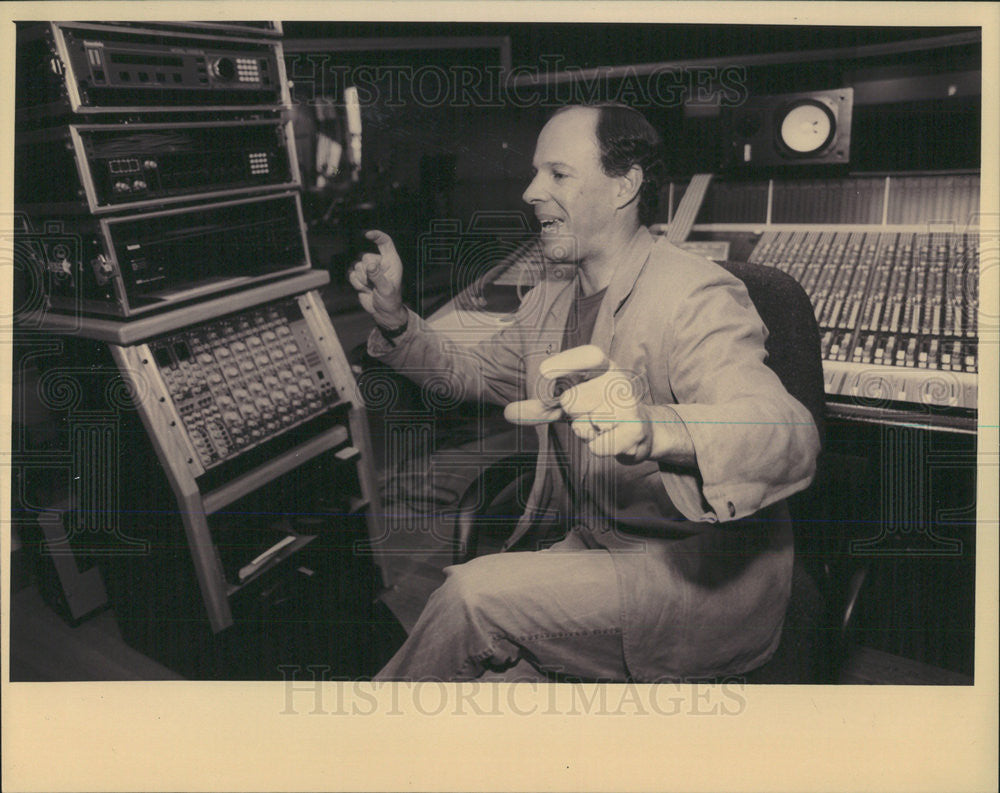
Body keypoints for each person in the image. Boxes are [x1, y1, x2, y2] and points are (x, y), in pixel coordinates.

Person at [349, 103, 820, 682]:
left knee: (472, 597)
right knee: (485, 688)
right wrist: (397, 321)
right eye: (533, 173)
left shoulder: (696, 294)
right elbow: (471, 371)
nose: (529, 192)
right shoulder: (551, 297)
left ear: (624, 186)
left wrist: (655, 427)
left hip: (690, 578)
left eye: (557, 173)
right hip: (592, 553)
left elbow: (786, 430)